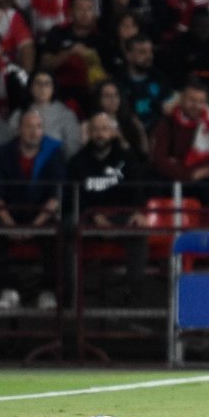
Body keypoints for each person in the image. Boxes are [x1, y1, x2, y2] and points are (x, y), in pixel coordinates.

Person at [0, 108, 65, 309]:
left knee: (57, 235)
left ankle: (47, 292)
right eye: (29, 126)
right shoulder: (2, 154)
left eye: (38, 127)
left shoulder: (54, 152)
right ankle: (8, 290)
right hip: (10, 215)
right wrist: (10, 225)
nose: (34, 131)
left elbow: (55, 198)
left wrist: (34, 226)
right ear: (19, 129)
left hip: (41, 216)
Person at [67, 112, 148, 302]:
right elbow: (73, 196)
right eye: (95, 129)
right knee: (68, 227)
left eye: (104, 129)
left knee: (139, 230)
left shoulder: (128, 158)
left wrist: (137, 212)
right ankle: (72, 295)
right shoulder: (77, 161)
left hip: (120, 215)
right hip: (88, 216)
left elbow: (138, 190)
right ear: (88, 132)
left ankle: (134, 293)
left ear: (113, 133)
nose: (99, 134)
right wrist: (95, 216)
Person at [149, 80, 209, 202]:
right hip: (175, 175)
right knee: (155, 181)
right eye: (191, 100)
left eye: (200, 101)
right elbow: (159, 158)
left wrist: (201, 172)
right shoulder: (168, 121)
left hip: (200, 176)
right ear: (181, 99)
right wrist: (189, 175)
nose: (196, 106)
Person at [8, 71, 80, 158]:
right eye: (38, 83)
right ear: (31, 87)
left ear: (53, 88)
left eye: (47, 84)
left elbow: (73, 147)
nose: (42, 88)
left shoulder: (66, 115)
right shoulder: (19, 113)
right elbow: (9, 142)